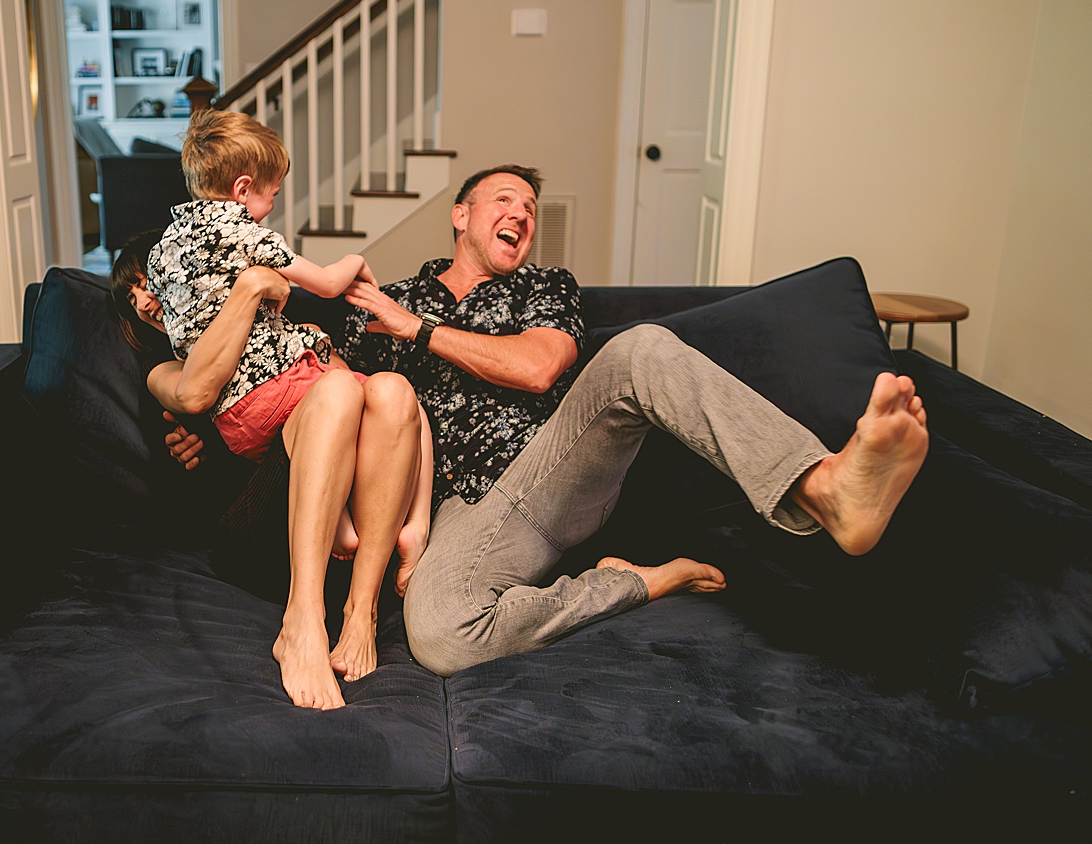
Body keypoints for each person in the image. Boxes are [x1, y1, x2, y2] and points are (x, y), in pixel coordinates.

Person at [169, 163, 930, 678]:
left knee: (639, 350)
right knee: (438, 634)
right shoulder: (386, 296)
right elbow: (317, 391)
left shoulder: (543, 287)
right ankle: (630, 583)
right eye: (504, 200)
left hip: (550, 467)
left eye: (528, 209)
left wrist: (419, 332)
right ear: (461, 216)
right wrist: (204, 436)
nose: (521, 214)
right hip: (461, 509)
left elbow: (540, 366)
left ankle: (824, 486)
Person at [116, 217, 429, 712]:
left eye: (150, 283)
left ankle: (361, 611)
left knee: (391, 388)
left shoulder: (277, 327)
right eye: (133, 297)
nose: (147, 301)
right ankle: (301, 619)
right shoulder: (164, 368)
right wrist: (255, 281)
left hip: (344, 523)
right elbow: (196, 392)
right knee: (337, 389)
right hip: (259, 532)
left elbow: (350, 389)